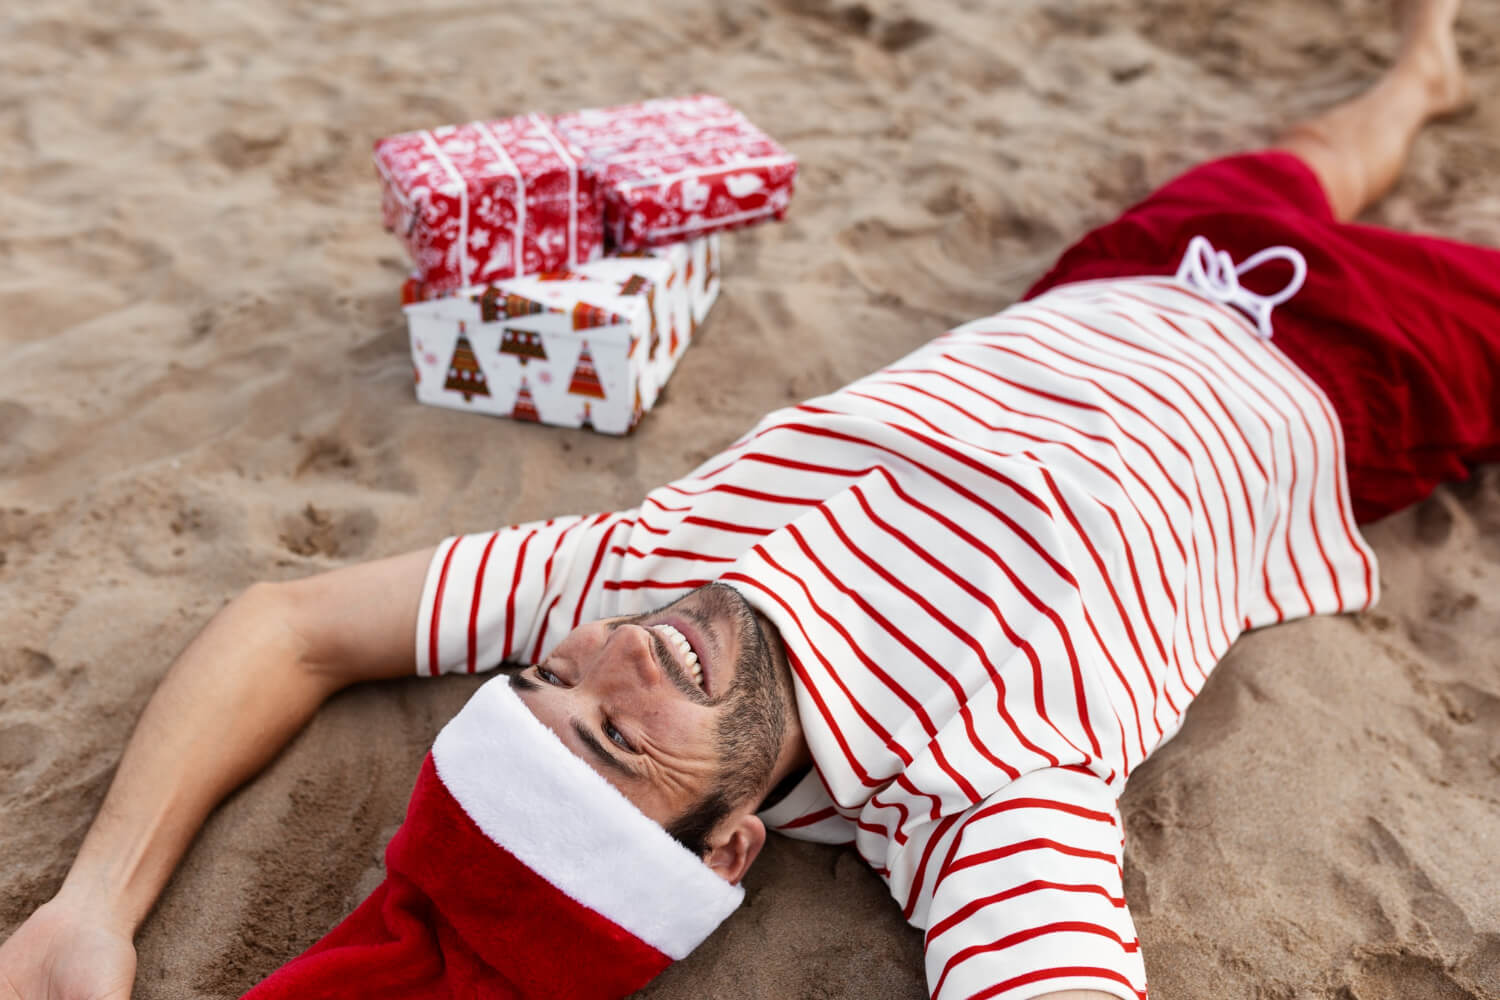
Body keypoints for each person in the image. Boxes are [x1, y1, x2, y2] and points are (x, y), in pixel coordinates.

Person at [2, 0, 1495, 997]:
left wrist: (93, 908)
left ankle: (1420, 76)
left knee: (1311, 161)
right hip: (1350, 380)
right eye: (611, 740)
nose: (612, 660)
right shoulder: (983, 792)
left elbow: (294, 628)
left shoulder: (638, 576)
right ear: (728, 850)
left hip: (1116, 283)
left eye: (544, 678)